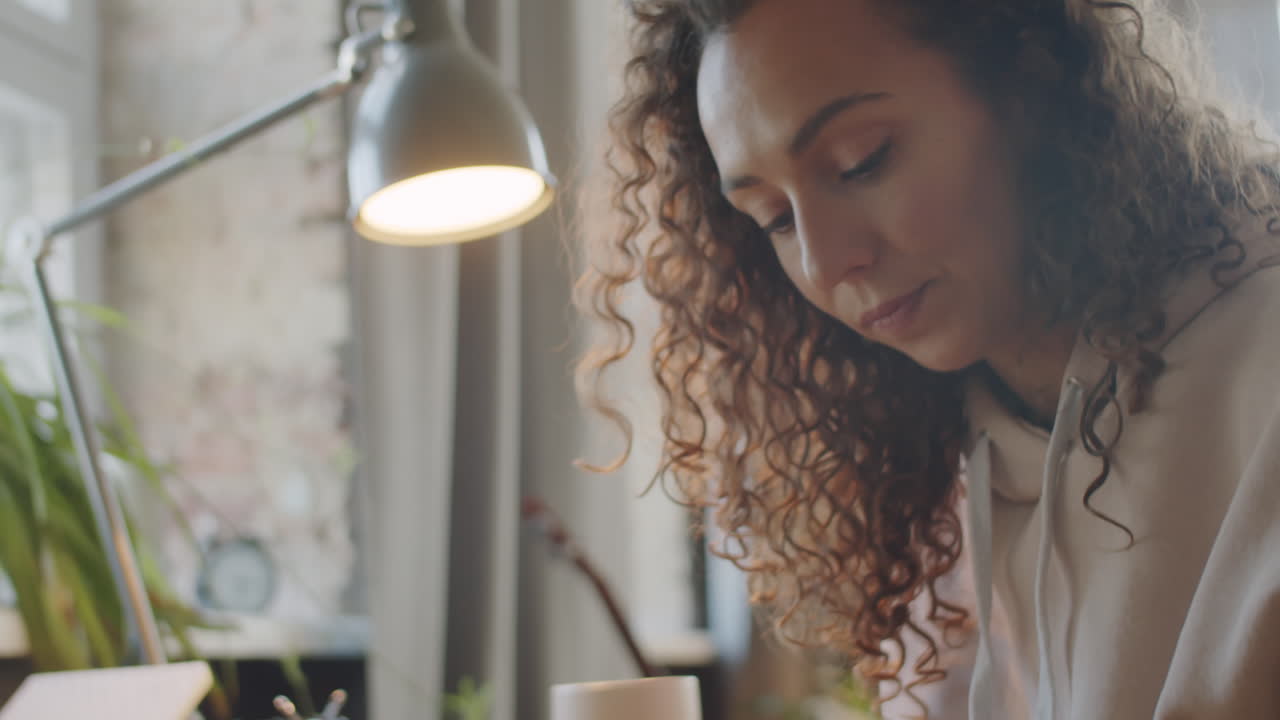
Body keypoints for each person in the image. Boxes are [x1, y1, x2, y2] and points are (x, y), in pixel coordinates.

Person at [575, 0, 1280, 718]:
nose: (825, 264)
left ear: (1027, 86)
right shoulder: (941, 494)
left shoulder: (1262, 383)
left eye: (861, 161)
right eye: (775, 220)